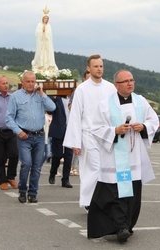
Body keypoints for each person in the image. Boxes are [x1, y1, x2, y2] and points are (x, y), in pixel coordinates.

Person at [88, 69, 159, 243]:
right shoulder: (105, 104)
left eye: (131, 80)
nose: (130, 83)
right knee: (116, 194)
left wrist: (143, 126)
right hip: (115, 158)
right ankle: (120, 227)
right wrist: (115, 130)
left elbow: (154, 121)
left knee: (132, 194)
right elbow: (96, 128)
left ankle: (128, 225)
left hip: (134, 157)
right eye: (125, 81)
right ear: (116, 85)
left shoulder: (141, 101)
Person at [63, 54, 117, 210]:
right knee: (93, 168)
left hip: (106, 135)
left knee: (106, 169)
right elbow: (75, 116)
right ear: (88, 68)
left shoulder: (110, 88)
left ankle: (104, 200)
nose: (99, 69)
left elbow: (115, 112)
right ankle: (90, 201)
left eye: (101, 66)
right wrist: (75, 141)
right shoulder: (82, 89)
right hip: (89, 134)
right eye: (96, 66)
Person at [6, 71, 55, 203]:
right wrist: (18, 131)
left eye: (33, 81)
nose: (30, 84)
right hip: (24, 136)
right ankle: (22, 190)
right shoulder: (15, 97)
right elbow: (9, 118)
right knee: (26, 164)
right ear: (22, 82)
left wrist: (42, 94)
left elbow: (52, 107)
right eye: (28, 81)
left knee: (37, 166)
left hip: (39, 135)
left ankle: (32, 193)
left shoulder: (40, 95)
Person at [68, 70, 90, 176]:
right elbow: (70, 106)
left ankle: (77, 167)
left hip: (91, 126)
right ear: (84, 79)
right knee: (76, 146)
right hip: (79, 123)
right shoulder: (78, 91)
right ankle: (72, 167)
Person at [48, 95, 73, 188]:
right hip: (58, 130)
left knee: (69, 156)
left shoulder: (74, 99)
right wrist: (53, 98)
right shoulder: (55, 98)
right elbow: (50, 110)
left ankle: (65, 179)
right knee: (57, 155)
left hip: (70, 131)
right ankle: (53, 172)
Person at [31, 6, 58, 75]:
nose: (46, 19)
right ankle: (40, 66)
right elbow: (36, 33)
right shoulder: (39, 24)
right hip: (41, 43)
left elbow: (50, 35)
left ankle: (48, 67)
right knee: (41, 54)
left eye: (47, 18)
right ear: (42, 18)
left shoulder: (49, 26)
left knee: (47, 55)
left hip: (47, 43)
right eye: (45, 18)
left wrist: (46, 33)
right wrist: (42, 31)